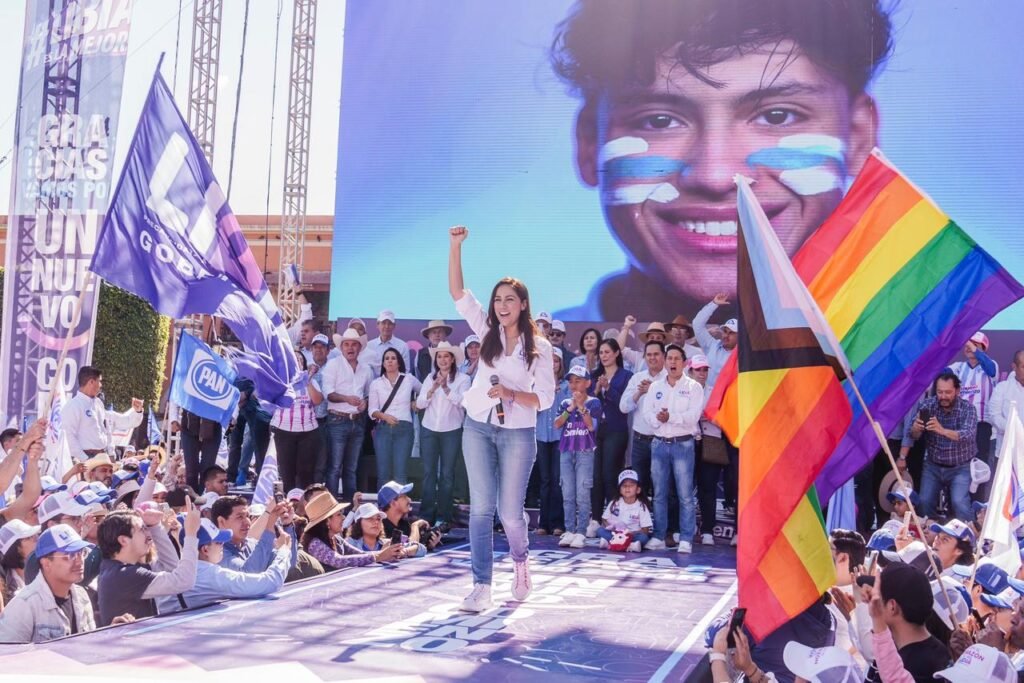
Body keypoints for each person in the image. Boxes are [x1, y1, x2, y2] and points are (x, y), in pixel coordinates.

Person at [550, 0, 890, 321]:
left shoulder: (932, 377)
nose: (716, 175)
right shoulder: (509, 369)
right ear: (589, 144)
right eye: (659, 121)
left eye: (776, 116)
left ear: (858, 137)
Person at [448, 225, 555, 612]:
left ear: (523, 304)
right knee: (480, 509)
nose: (501, 305)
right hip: (477, 426)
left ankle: (521, 561)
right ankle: (481, 586)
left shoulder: (538, 347)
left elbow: (544, 398)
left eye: (510, 299)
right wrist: (455, 246)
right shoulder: (487, 331)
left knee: (510, 513)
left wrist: (511, 394)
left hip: (517, 433)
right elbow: (459, 293)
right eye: (497, 300)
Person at [0, 525, 120, 642]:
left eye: (82, 552)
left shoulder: (81, 595)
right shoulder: (24, 605)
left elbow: (89, 646)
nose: (79, 561)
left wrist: (111, 632)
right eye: (70, 555)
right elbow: (7, 657)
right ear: (46, 563)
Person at [96, 502, 201, 625]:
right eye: (142, 530)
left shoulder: (117, 569)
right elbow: (184, 581)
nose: (148, 535)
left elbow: (171, 567)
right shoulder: (124, 575)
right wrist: (191, 534)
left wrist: (155, 526)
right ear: (123, 540)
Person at [644, 344, 703, 553]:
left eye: (677, 358)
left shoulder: (693, 387)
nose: (672, 362)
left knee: (685, 494)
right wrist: (659, 421)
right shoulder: (656, 386)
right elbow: (647, 412)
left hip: (683, 445)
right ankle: (659, 535)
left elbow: (693, 417)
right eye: (669, 358)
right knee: (659, 493)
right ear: (665, 361)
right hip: (659, 443)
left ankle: (686, 537)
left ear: (685, 363)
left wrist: (672, 418)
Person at [904, 371, 978, 521]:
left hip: (960, 466)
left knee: (959, 503)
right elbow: (912, 435)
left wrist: (941, 430)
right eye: (940, 392)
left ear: (957, 391)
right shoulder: (927, 405)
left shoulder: (968, 409)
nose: (943, 396)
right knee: (923, 502)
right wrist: (916, 429)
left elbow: (967, 435)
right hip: (933, 465)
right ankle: (931, 535)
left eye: (948, 392)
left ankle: (970, 538)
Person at [177, 517, 292, 610]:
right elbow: (271, 582)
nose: (223, 544)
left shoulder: (176, 568)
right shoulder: (212, 575)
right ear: (205, 550)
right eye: (219, 542)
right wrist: (284, 550)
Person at [865, 562, 951, 682]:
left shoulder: (914, 666)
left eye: (877, 597)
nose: (871, 601)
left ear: (892, 607)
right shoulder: (939, 651)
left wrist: (877, 620)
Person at [416, 341, 470, 527]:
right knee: (429, 473)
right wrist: (433, 389)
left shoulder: (463, 379)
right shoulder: (429, 379)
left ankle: (444, 517)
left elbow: (463, 403)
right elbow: (420, 404)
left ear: (453, 359)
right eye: (439, 356)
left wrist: (446, 388)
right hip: (429, 429)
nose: (442, 359)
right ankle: (426, 515)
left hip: (451, 431)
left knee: (447, 474)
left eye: (446, 356)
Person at [320, 327, 373, 500]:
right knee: (335, 467)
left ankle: (351, 509)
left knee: (351, 468)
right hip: (337, 420)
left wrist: (365, 402)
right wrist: (347, 399)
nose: (350, 348)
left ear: (360, 348)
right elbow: (328, 394)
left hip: (358, 422)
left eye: (354, 345)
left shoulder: (366, 369)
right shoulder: (333, 365)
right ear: (341, 348)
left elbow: (369, 393)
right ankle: (332, 509)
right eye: (347, 345)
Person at [555, 366, 603, 549]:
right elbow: (557, 424)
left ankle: (581, 531)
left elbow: (592, 426)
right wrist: (571, 408)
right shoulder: (565, 402)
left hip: (585, 451)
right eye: (571, 381)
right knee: (567, 492)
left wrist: (581, 406)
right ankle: (569, 530)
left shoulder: (594, 403)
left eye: (578, 380)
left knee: (582, 492)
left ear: (588, 383)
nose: (574, 384)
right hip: (566, 450)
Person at [589, 339, 633, 525]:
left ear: (616, 353)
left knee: (609, 473)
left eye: (607, 352)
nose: (604, 356)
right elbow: (590, 406)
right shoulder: (594, 375)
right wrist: (598, 391)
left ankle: (613, 516)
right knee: (596, 476)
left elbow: (625, 404)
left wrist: (609, 388)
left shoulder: (626, 376)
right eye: (601, 353)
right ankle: (596, 518)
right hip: (598, 430)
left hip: (617, 430)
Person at [61, 366, 144, 460]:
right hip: (85, 459)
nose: (101, 385)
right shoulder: (73, 406)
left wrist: (137, 411)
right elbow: (68, 437)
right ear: (91, 382)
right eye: (99, 381)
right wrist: (84, 459)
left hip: (102, 456)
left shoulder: (97, 404)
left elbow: (121, 421)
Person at [300, 491, 400, 569]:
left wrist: (388, 552)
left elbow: (360, 554)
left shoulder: (337, 540)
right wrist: (378, 556)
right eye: (339, 514)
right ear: (327, 522)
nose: (343, 518)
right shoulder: (314, 544)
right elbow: (338, 561)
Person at [620, 340, 668, 498]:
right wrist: (639, 393)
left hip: (662, 440)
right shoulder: (637, 378)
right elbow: (623, 407)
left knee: (661, 489)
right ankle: (642, 521)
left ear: (664, 356)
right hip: (640, 441)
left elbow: (672, 408)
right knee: (639, 487)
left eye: (656, 354)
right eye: (649, 355)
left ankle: (662, 523)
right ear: (644, 357)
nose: (652, 358)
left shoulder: (671, 378)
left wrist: (652, 390)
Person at [949, 332, 998, 481]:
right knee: (959, 466)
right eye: (967, 344)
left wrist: (974, 349)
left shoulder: (991, 365)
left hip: (981, 426)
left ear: (983, 348)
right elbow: (940, 373)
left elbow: (991, 370)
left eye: (974, 344)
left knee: (979, 467)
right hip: (961, 425)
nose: (969, 347)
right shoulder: (958, 367)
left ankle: (979, 502)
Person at [271, 350, 324, 491]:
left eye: (300, 359)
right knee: (287, 472)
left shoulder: (310, 380)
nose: (297, 362)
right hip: (283, 430)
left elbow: (318, 400)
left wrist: (307, 382)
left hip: (308, 431)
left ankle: (306, 506)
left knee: (306, 473)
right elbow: (269, 398)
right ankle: (290, 506)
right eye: (293, 359)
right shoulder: (278, 381)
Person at [369, 348, 422, 487]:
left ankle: (401, 508)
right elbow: (372, 410)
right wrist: (384, 416)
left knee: (401, 474)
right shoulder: (376, 383)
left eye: (393, 358)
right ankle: (384, 508)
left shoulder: (409, 379)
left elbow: (423, 391)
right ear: (383, 363)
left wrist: (416, 402)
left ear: (399, 362)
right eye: (387, 358)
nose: (390, 361)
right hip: (383, 429)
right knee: (383, 474)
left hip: (404, 429)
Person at [211, 496, 298, 574]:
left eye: (247, 516)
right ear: (221, 521)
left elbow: (289, 565)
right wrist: (270, 523)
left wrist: (287, 524)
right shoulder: (215, 551)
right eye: (240, 517)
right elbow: (248, 575)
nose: (247, 522)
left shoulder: (251, 544)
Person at [535, 348, 570, 536]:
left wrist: (557, 393)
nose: (552, 365)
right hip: (541, 435)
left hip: (559, 437)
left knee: (557, 480)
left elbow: (569, 411)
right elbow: (534, 408)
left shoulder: (566, 387)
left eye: (555, 361)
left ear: (560, 365)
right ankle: (543, 522)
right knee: (545, 480)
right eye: (549, 361)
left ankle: (558, 523)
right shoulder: (538, 386)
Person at [227, 376, 272, 486]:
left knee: (258, 443)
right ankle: (232, 477)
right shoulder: (230, 361)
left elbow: (261, 377)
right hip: (234, 404)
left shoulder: (256, 360)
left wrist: (249, 393)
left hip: (253, 405)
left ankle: (260, 477)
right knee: (234, 443)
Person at [596, 470, 652, 552]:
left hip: (632, 535)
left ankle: (614, 544)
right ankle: (626, 545)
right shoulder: (615, 503)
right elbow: (604, 519)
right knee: (600, 531)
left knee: (643, 538)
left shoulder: (641, 506)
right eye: (624, 485)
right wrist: (612, 529)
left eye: (631, 485)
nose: (627, 488)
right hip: (615, 534)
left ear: (638, 489)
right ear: (620, 490)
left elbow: (645, 530)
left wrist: (630, 533)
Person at [378, 480, 442, 551]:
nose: (409, 499)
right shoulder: (379, 528)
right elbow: (407, 549)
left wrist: (429, 546)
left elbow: (413, 552)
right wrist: (415, 526)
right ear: (393, 503)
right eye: (404, 496)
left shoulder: (406, 524)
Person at [171, 407, 223, 493]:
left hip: (213, 425)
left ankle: (206, 499)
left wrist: (232, 417)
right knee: (191, 469)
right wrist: (173, 419)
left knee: (208, 468)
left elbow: (230, 395)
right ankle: (191, 499)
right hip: (188, 425)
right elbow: (175, 396)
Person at [347, 502, 425, 558]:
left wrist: (404, 552)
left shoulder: (386, 543)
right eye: (370, 518)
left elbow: (421, 549)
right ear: (358, 523)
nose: (376, 522)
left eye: (378, 519)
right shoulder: (349, 543)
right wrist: (383, 553)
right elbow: (355, 558)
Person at [988, 349, 1024, 457]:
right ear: (1014, 366)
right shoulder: (1002, 388)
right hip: (1006, 455)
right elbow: (994, 416)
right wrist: (1015, 430)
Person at [0, 519, 39, 605]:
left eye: (36, 535)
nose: (37, 539)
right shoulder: (4, 582)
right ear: (16, 548)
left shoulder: (46, 568)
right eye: (30, 537)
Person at [365, 310, 412, 378]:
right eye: (383, 323)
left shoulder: (402, 346)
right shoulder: (369, 346)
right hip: (373, 386)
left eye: (390, 323)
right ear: (377, 325)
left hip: (396, 386)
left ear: (394, 326)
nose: (387, 326)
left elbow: (405, 371)